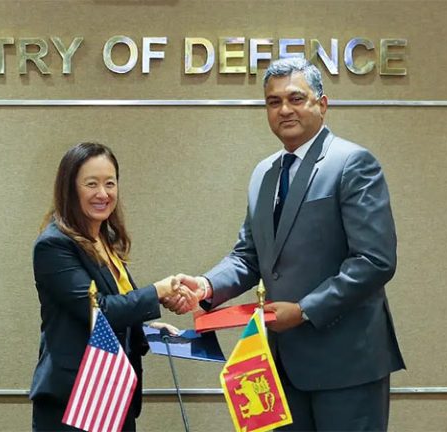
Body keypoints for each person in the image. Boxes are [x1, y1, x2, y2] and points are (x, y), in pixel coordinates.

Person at [167, 58, 405, 431]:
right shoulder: (264, 173)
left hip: (347, 363)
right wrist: (208, 286)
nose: (284, 110)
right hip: (280, 365)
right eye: (273, 102)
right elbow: (250, 255)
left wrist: (306, 309)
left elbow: (374, 260)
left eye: (296, 98)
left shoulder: (353, 163)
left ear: (322, 104)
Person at [30, 142, 186, 431]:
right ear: (70, 188)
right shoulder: (54, 245)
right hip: (74, 399)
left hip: (114, 394)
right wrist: (158, 291)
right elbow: (98, 311)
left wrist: (149, 332)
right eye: (92, 184)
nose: (103, 194)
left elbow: (119, 311)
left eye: (110, 183)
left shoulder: (105, 238)